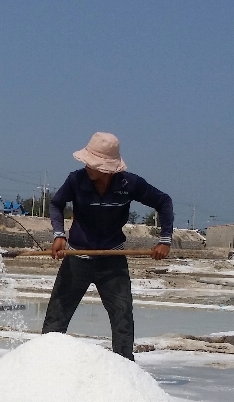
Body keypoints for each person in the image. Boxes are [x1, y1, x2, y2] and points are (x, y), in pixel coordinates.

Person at [41, 132, 173, 360]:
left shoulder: (129, 184)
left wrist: (165, 239)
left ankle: (125, 368)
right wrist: (59, 235)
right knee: (56, 316)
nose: (87, 166)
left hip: (112, 260)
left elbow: (164, 202)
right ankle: (43, 362)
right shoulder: (76, 180)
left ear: (108, 168)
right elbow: (56, 204)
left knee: (122, 317)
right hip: (78, 257)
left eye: (93, 164)